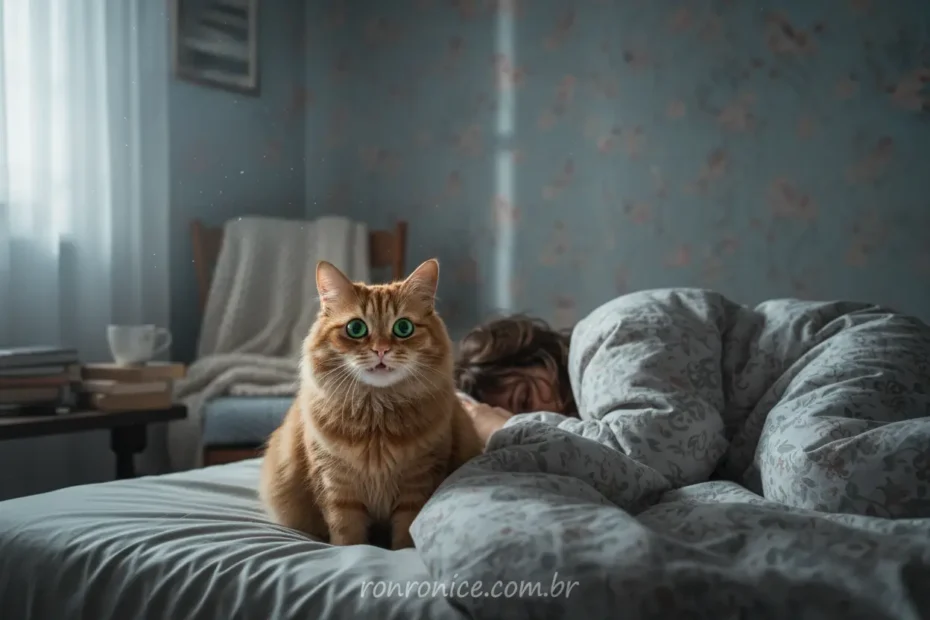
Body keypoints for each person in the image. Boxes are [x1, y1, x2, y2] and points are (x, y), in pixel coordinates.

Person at [453, 314, 578, 444]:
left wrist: (504, 428)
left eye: (525, 400)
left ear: (541, 357)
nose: (536, 420)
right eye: (520, 419)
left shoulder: (591, 355)